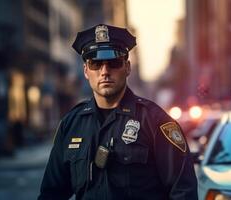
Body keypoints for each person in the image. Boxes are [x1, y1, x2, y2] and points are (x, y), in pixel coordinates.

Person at [38, 24, 198, 200]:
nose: (105, 71)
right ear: (86, 70)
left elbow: (183, 190)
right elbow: (51, 193)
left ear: (127, 67)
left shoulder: (156, 121)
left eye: (113, 63)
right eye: (95, 64)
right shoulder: (71, 124)